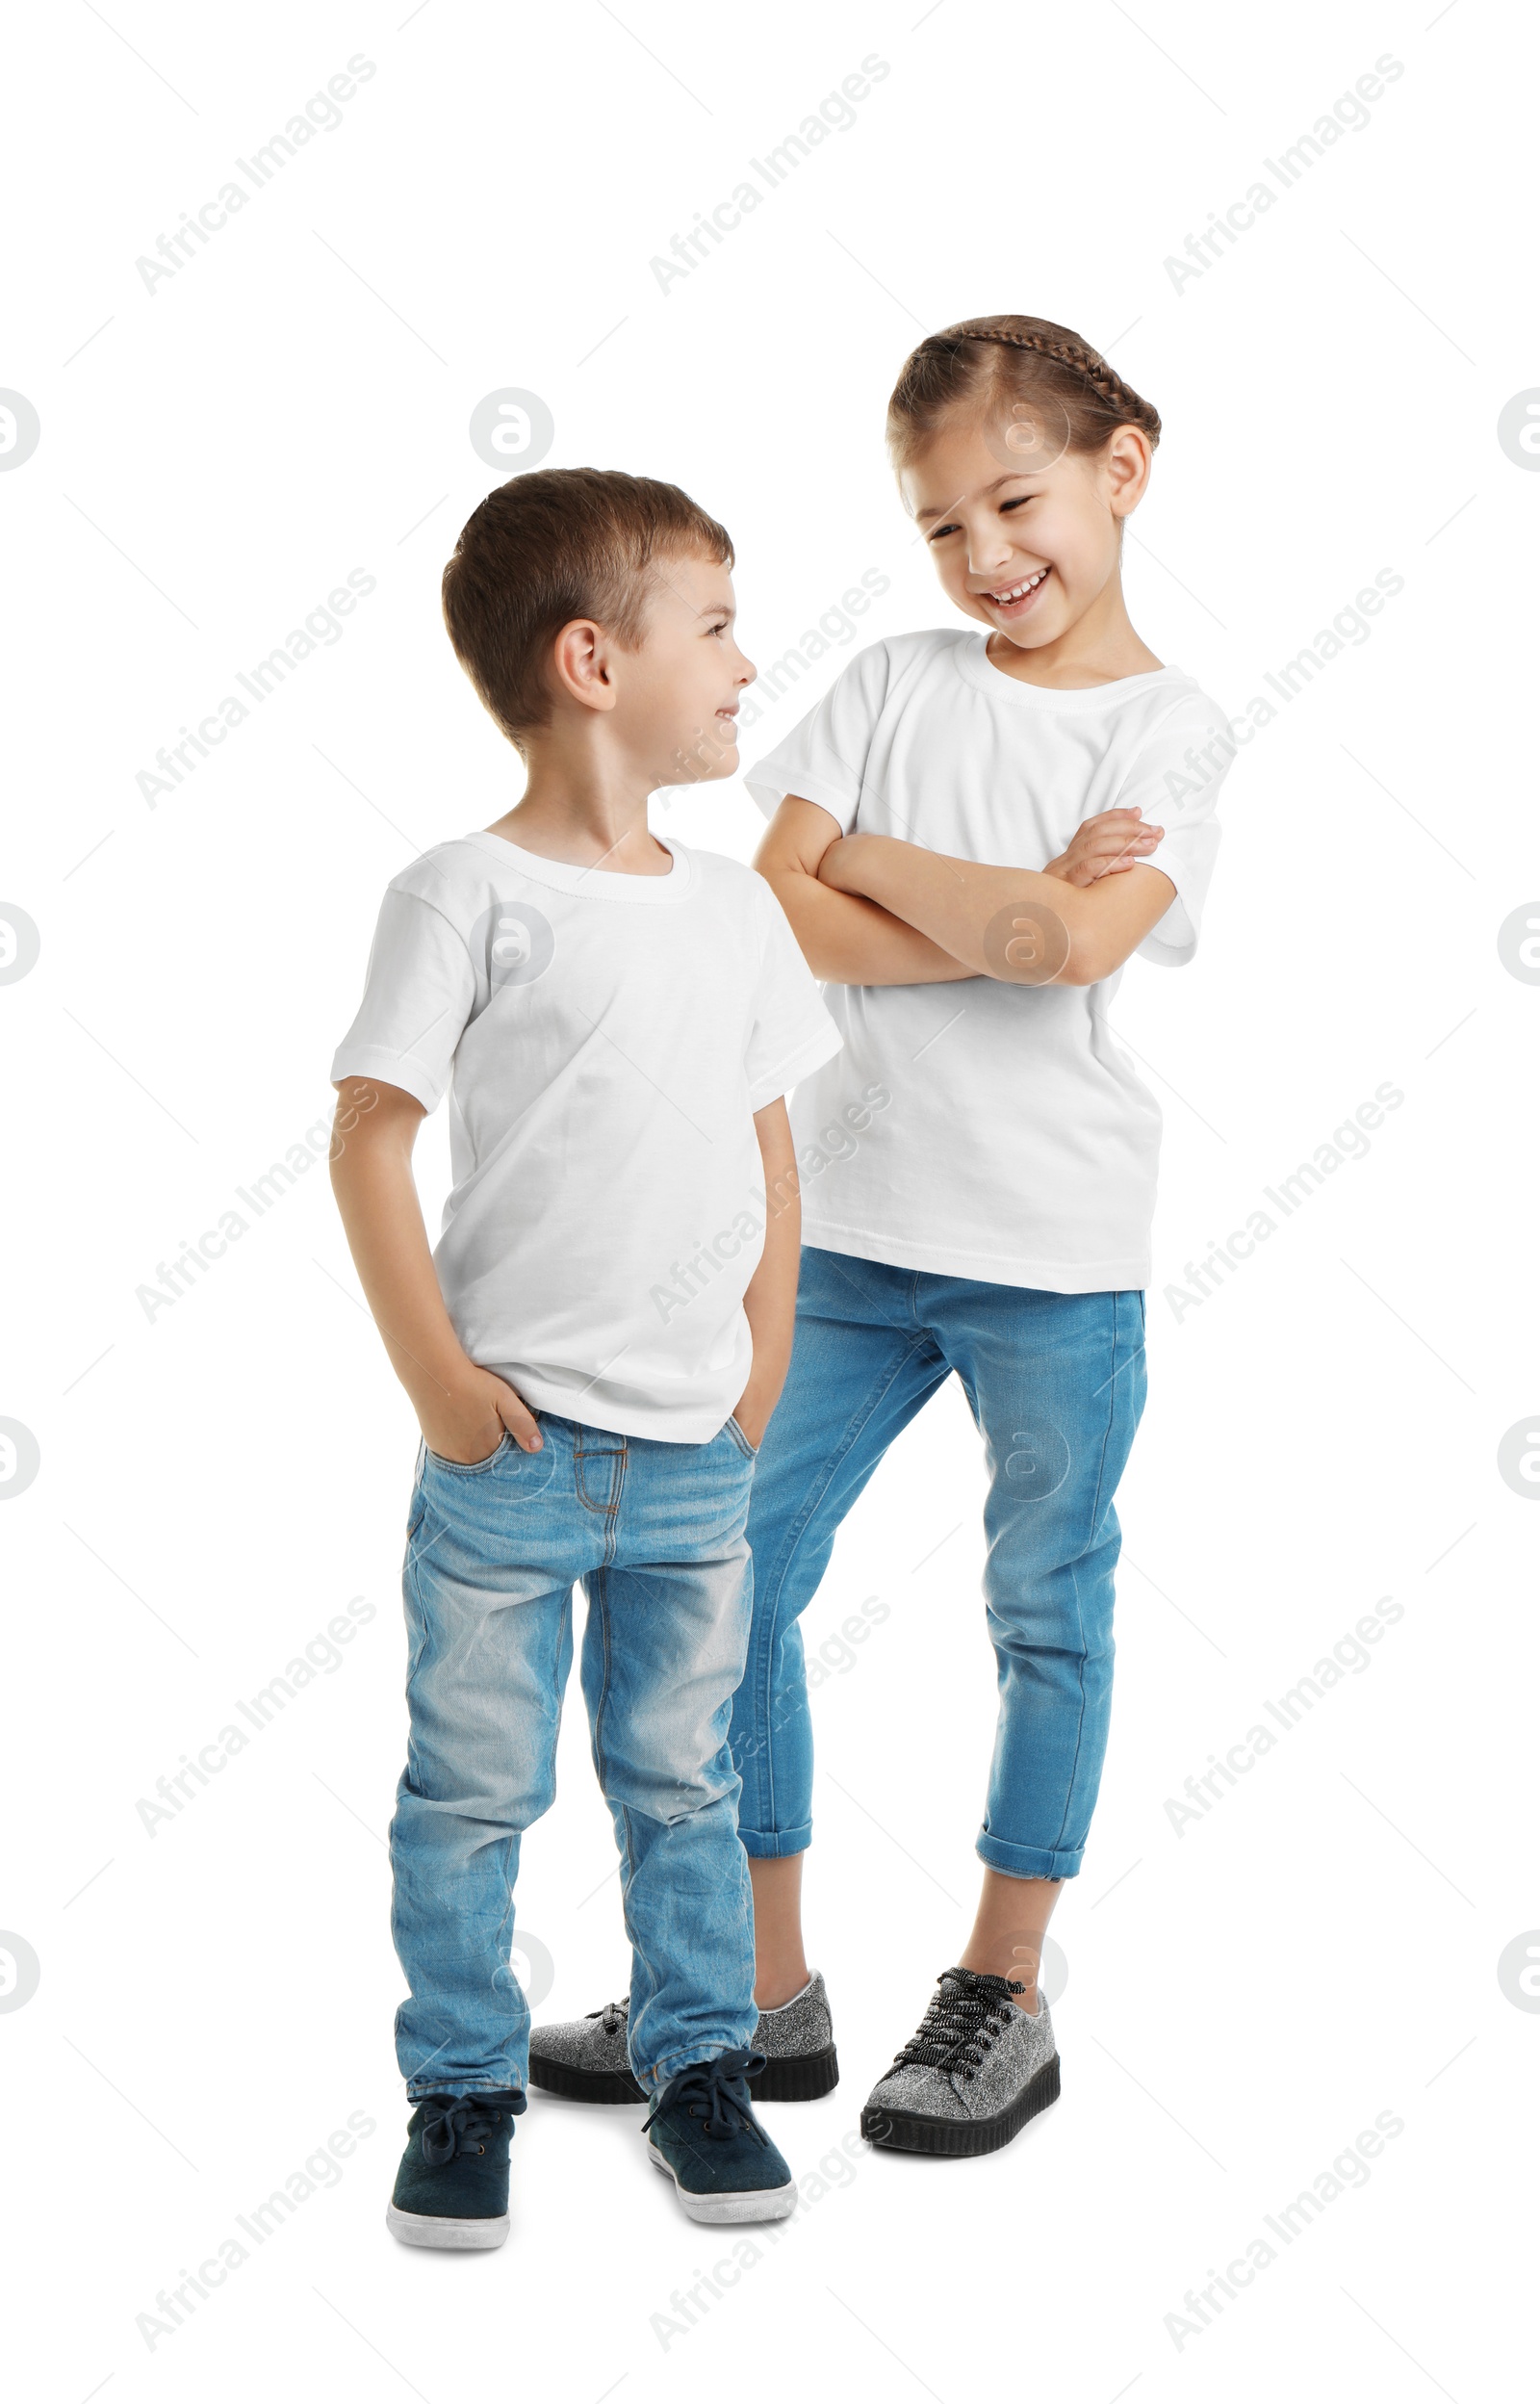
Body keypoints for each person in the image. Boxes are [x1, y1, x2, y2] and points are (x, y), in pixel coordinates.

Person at [533, 314, 1231, 2159]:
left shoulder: (1173, 728)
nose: (985, 554)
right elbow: (774, 914)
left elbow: (1074, 954)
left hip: (1058, 1242)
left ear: (1122, 466)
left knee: (1044, 1605)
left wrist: (915, 890)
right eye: (940, 526)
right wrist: (1012, 905)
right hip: (842, 1231)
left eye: (1016, 500)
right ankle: (762, 1988)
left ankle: (1002, 1991)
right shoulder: (894, 682)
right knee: (729, 1568)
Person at [329, 466, 840, 2246]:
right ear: (592, 659)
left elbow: (771, 1146)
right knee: (467, 1788)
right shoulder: (460, 889)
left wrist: (765, 1363)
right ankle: (462, 2090)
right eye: (714, 627)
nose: (746, 663)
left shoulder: (735, 910)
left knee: (683, 1777)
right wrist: (439, 1388)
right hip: (509, 1451)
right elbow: (368, 1137)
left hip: (699, 1446)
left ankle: (700, 2068)